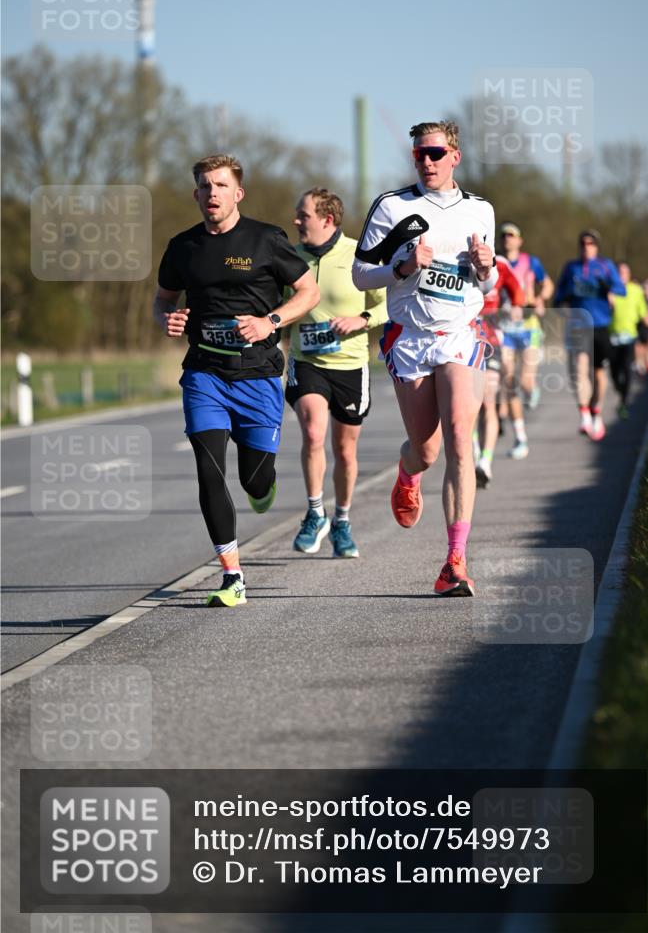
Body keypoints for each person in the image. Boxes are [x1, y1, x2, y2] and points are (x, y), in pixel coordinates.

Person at [153, 154, 319, 607]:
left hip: (259, 375)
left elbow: (310, 292)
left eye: (221, 186)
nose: (212, 194)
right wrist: (167, 318)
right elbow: (163, 298)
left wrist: (271, 321)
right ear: (196, 194)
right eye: (205, 186)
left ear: (237, 193)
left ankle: (263, 485)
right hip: (204, 373)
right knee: (208, 469)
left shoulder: (267, 240)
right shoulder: (182, 246)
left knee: (255, 480)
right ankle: (232, 576)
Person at [353, 120, 498, 597]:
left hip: (459, 334)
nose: (427, 162)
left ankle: (455, 561)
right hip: (411, 337)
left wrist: (484, 268)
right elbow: (360, 274)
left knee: (460, 437)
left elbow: (487, 282)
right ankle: (408, 470)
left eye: (435, 153)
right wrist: (404, 266)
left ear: (455, 156)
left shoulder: (481, 211)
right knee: (428, 448)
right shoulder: (393, 207)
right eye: (419, 155)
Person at [287, 188, 387, 558]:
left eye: (304, 215)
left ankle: (341, 521)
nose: (297, 221)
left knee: (345, 451)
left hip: (350, 365)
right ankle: (315, 513)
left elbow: (385, 305)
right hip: (307, 361)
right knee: (313, 431)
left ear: (327, 220)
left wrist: (359, 319)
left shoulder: (358, 255)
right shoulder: (290, 256)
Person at [553, 228, 625, 441]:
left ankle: (596, 412)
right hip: (578, 325)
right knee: (579, 369)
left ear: (597, 246)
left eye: (591, 243)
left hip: (601, 325)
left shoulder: (605, 266)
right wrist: (562, 305)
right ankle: (584, 415)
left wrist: (610, 291)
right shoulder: (570, 267)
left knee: (599, 376)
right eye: (583, 243)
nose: (587, 246)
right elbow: (558, 298)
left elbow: (622, 289)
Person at [498, 224, 553, 461]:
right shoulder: (495, 262)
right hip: (505, 329)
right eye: (504, 236)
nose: (507, 239)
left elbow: (548, 284)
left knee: (526, 380)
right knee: (508, 382)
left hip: (529, 327)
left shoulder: (532, 262)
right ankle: (520, 438)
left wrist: (540, 299)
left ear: (520, 241)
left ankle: (532, 390)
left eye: (511, 235)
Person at [475, 255, 525, 486]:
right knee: (469, 407)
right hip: (463, 338)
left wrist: (516, 307)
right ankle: (474, 453)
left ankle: (485, 461)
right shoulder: (456, 254)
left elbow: (517, 290)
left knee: (487, 401)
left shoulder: (500, 263)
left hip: (492, 337)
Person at [608, 263, 648, 418]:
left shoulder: (636, 290)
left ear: (629, 274)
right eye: (619, 272)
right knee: (614, 372)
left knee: (626, 369)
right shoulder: (610, 290)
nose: (622, 275)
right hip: (612, 335)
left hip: (629, 336)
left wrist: (647, 321)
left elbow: (642, 311)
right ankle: (620, 389)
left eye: (625, 272)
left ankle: (624, 402)